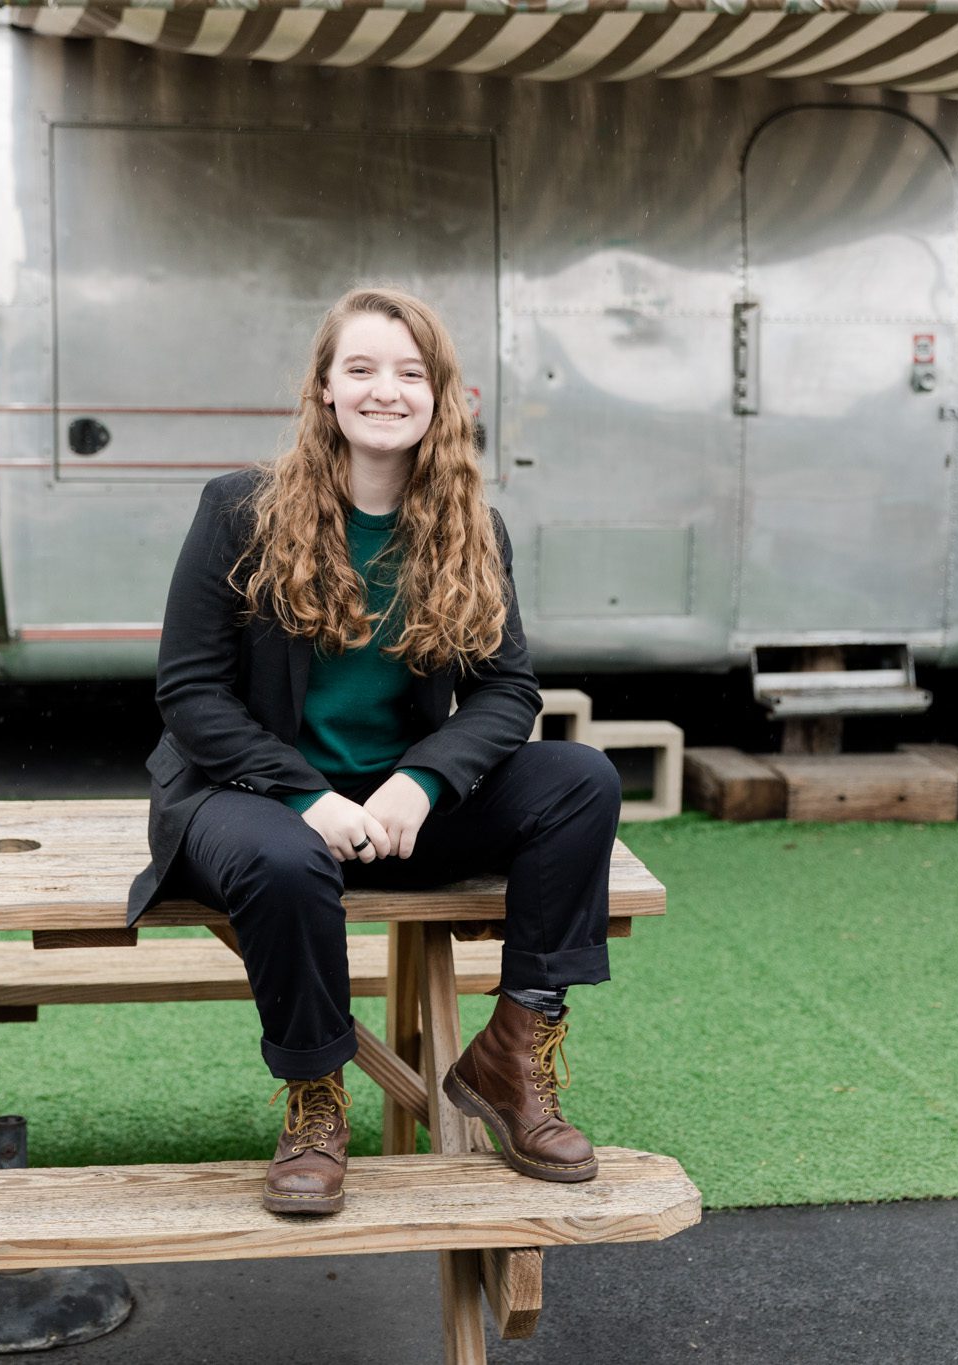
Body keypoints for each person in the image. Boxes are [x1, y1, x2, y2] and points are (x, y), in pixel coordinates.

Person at [126, 285, 623, 1216]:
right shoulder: (241, 510)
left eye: (409, 372)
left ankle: (516, 1053)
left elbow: (509, 689)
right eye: (360, 369)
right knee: (282, 857)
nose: (384, 390)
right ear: (324, 389)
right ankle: (316, 1101)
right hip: (251, 795)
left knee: (581, 780)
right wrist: (308, 795)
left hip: (394, 810)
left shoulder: (470, 525)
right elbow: (189, 692)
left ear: (443, 395)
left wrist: (423, 782)